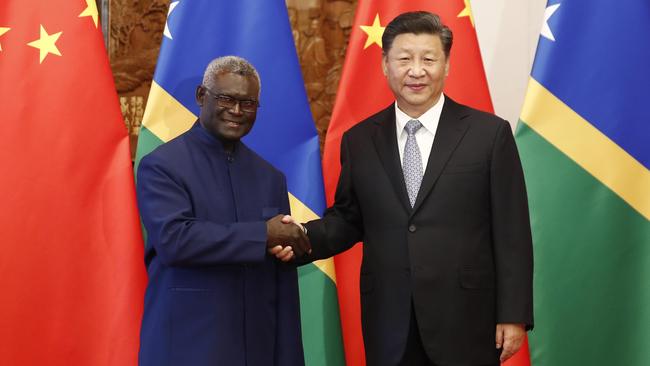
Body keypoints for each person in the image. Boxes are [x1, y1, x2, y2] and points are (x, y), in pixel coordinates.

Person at [281, 11, 533, 366]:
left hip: (466, 319)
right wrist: (302, 237)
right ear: (385, 65)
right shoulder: (360, 140)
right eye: (404, 59)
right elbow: (349, 218)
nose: (416, 71)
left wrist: (513, 313)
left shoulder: (488, 135)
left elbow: (512, 231)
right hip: (389, 319)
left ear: (445, 65)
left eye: (428, 59)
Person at [136, 55, 309, 366]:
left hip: (257, 348)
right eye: (227, 98)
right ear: (202, 96)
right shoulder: (162, 166)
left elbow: (281, 282)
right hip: (188, 349)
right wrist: (263, 234)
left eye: (248, 103)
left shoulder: (270, 178)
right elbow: (175, 240)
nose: (237, 111)